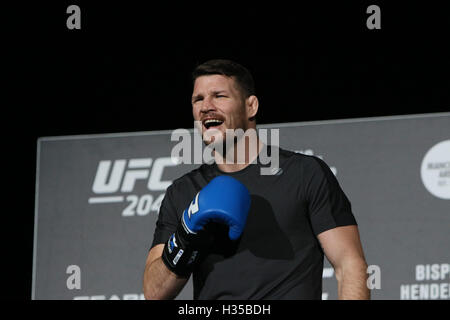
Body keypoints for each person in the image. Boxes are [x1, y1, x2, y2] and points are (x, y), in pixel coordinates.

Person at [143, 59, 370, 300]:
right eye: (198, 99)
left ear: (251, 106)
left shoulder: (304, 173)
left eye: (219, 96)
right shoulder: (183, 192)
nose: (206, 106)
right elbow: (154, 293)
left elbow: (350, 266)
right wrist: (186, 234)